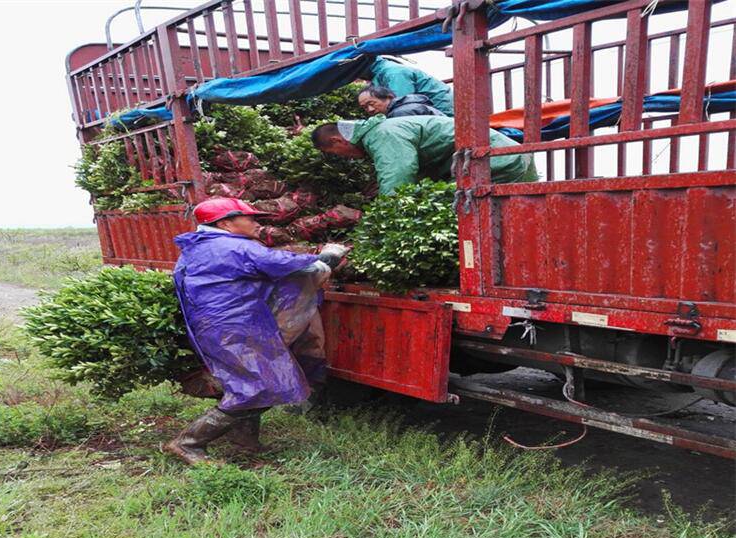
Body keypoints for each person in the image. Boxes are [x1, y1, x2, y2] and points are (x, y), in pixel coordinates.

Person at [164, 197, 349, 465]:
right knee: (259, 385)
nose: (255, 222)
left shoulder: (199, 247)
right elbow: (283, 263)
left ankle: (245, 442)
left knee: (252, 381)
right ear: (225, 223)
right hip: (234, 327)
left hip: (219, 325)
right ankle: (188, 443)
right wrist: (327, 258)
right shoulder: (234, 247)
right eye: (249, 217)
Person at [311, 115, 537, 196]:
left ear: (337, 140)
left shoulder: (382, 135)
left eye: (335, 153)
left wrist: (384, 217)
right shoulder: (382, 133)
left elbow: (398, 177)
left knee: (449, 204)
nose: (344, 157)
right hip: (506, 155)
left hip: (496, 160)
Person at [363, 57, 454, 116]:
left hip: (443, 112)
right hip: (431, 112)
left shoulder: (394, 73)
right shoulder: (377, 77)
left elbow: (402, 105)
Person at [358, 84, 444, 118]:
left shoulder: (401, 112)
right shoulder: (408, 106)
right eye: (365, 107)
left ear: (389, 97)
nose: (370, 109)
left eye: (372, 103)